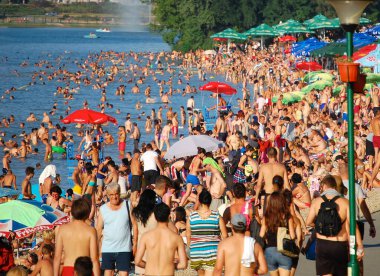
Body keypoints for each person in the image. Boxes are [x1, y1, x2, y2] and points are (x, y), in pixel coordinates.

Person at [306, 175, 364, 276]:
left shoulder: (316, 202)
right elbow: (352, 226)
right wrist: (359, 245)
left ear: (323, 186)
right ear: (334, 186)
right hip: (339, 244)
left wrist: (320, 225)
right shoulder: (345, 202)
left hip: (322, 245)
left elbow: (308, 222)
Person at [135, 203, 187, 275]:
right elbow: (183, 264)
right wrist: (171, 265)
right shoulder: (177, 238)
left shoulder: (146, 236)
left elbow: (137, 261)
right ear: (169, 216)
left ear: (155, 217)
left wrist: (149, 265)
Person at [54, 198, 100, 276]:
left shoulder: (63, 229)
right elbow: (94, 259)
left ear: (72, 212)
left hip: (67, 270)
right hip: (85, 271)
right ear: (87, 213)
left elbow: (57, 257)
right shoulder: (91, 231)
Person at [187, 189, 227, 275]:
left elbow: (188, 235)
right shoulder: (216, 216)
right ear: (211, 201)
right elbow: (225, 235)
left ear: (200, 201)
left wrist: (191, 248)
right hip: (212, 252)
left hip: (196, 252)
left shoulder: (191, 216)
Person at [96, 183, 132, 276]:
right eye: (111, 194)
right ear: (107, 195)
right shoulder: (103, 209)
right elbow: (99, 229)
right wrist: (97, 248)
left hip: (124, 248)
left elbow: (135, 226)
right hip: (108, 248)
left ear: (119, 193)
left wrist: (135, 245)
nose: (114, 197)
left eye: (116, 194)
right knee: (108, 273)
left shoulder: (128, 205)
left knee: (124, 274)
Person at [259, 192, 295, 276]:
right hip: (284, 250)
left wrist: (266, 239)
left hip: (270, 250)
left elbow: (261, 234)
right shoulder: (287, 216)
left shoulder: (266, 216)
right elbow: (292, 236)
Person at [131, 189, 157, 275]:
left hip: (140, 243)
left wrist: (134, 245)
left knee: (142, 270)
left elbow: (135, 231)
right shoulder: (156, 213)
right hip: (155, 243)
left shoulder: (135, 213)